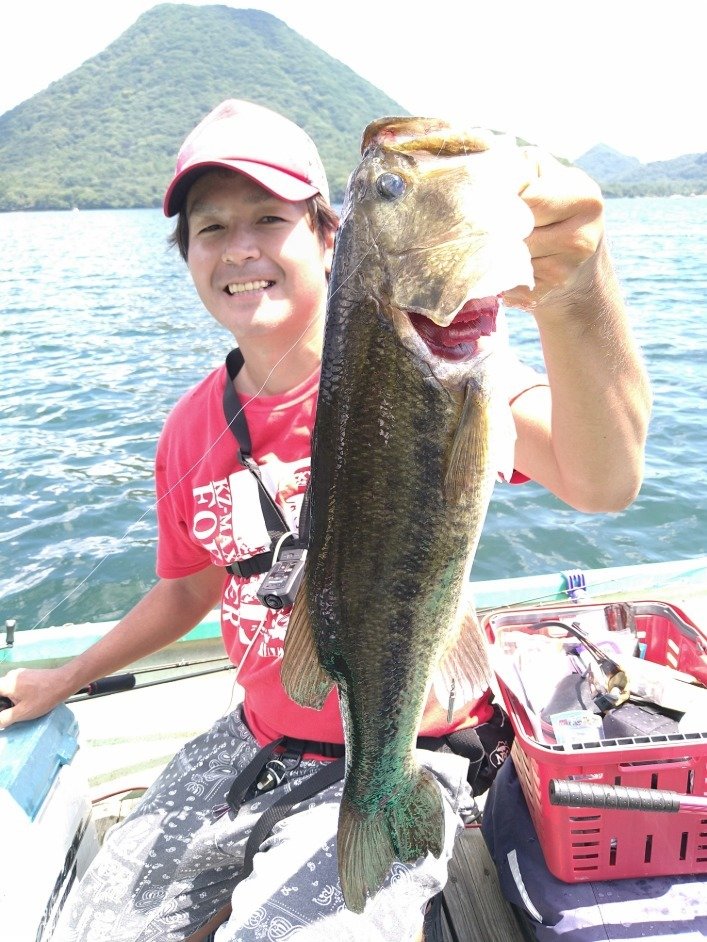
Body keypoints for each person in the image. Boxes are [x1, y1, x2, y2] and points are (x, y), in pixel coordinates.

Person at [0, 99, 651, 942]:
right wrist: (64, 678)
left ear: (328, 237)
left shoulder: (459, 363)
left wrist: (578, 287)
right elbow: (187, 590)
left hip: (406, 744)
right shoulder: (191, 429)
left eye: (269, 219)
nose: (240, 247)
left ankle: (385, 817)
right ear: (186, 255)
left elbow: (603, 482)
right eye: (211, 228)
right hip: (255, 740)